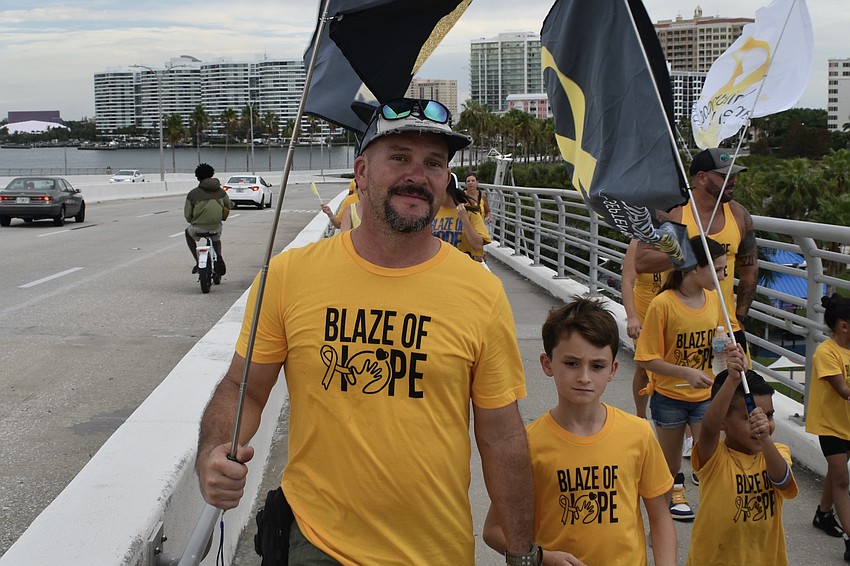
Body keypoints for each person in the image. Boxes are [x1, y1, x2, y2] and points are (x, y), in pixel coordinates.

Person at [195, 98, 536, 565]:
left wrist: (523, 555)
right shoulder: (289, 275)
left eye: (434, 163)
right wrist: (212, 452)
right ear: (361, 171)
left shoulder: (482, 292)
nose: (418, 174)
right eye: (399, 157)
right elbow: (244, 389)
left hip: (435, 551)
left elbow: (501, 435)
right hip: (317, 543)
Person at [483, 298, 676, 566]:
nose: (584, 377)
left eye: (597, 366)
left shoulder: (639, 433)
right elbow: (493, 530)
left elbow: (660, 516)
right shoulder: (527, 443)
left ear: (612, 370)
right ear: (547, 364)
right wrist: (541, 557)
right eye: (572, 363)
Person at [635, 236, 728, 521]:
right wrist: (684, 372)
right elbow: (646, 358)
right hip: (669, 398)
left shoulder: (714, 299)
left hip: (705, 397)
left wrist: (727, 353)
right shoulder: (663, 304)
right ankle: (659, 524)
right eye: (718, 269)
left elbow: (717, 342)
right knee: (668, 466)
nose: (723, 276)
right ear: (693, 268)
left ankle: (716, 523)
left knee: (712, 462)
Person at [636, 148, 757, 354]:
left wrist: (741, 316)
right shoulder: (673, 212)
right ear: (701, 178)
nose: (733, 180)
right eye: (724, 175)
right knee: (656, 378)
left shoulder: (739, 215)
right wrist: (685, 254)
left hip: (725, 325)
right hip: (680, 322)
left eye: (734, 175)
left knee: (736, 382)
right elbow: (642, 261)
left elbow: (750, 270)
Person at [686, 367, 798, 565]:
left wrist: (765, 440)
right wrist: (732, 379)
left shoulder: (777, 452)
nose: (762, 424)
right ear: (723, 422)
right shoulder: (714, 458)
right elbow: (709, 427)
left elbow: (783, 480)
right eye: (749, 418)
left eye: (769, 416)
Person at [806, 293, 850, 558]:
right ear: (843, 326)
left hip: (848, 424)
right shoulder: (826, 353)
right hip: (830, 425)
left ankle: (823, 513)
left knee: (837, 472)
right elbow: (844, 390)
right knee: (843, 480)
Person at [184, 163, 232, 275]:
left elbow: (188, 215)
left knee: (188, 233)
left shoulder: (193, 194)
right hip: (216, 227)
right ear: (212, 174)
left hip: (198, 228)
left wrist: (194, 221)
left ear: (197, 177)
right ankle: (219, 256)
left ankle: (197, 261)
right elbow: (228, 205)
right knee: (216, 239)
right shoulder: (221, 191)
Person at [432, 172, 491, 262]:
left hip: (466, 266)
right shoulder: (433, 212)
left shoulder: (470, 212)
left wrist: (464, 219)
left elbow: (478, 245)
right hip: (441, 266)